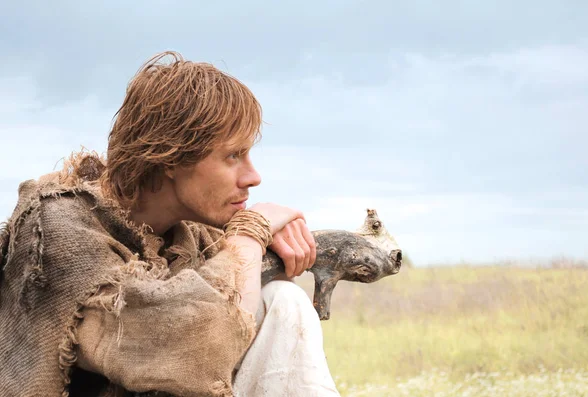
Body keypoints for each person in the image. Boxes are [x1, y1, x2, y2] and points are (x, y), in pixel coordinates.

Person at [0, 51, 340, 396]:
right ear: (172, 156)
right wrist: (251, 232)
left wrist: (264, 235)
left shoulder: (192, 236)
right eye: (233, 155)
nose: (253, 177)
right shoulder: (59, 226)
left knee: (283, 301)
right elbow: (181, 347)